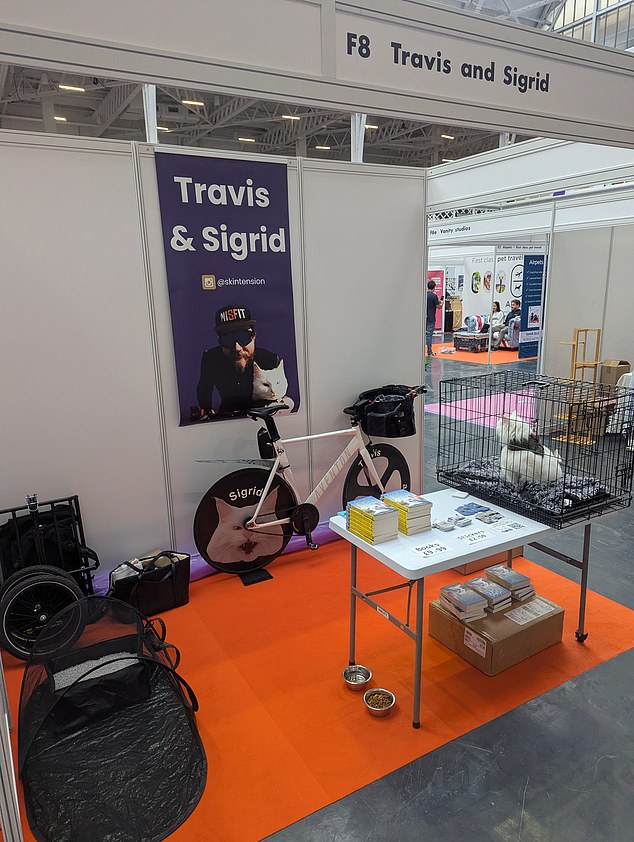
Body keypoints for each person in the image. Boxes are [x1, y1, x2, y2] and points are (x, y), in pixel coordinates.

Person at [196, 304, 282, 418]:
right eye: (228, 339)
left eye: (243, 337)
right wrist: (206, 410)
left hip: (265, 417)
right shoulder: (211, 359)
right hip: (226, 419)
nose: (237, 348)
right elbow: (204, 391)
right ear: (219, 341)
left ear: (253, 337)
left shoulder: (269, 360)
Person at [426, 280, 444, 361]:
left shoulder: (424, 295)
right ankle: (429, 351)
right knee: (429, 335)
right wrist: (442, 303)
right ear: (434, 287)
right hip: (431, 318)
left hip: (423, 318)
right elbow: (438, 307)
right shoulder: (434, 296)